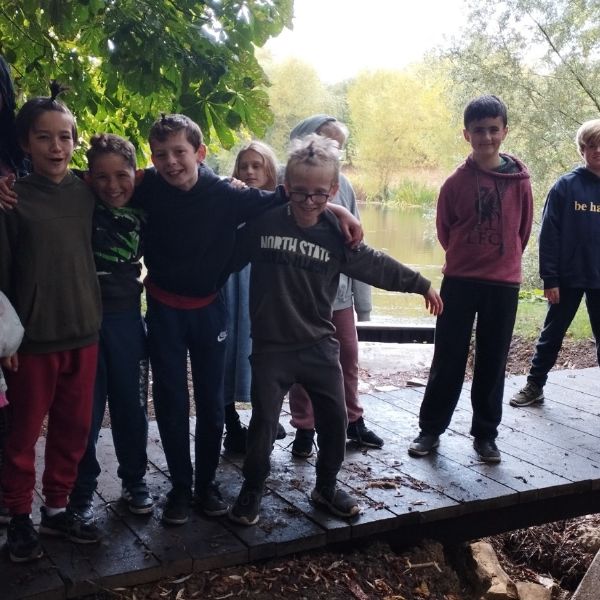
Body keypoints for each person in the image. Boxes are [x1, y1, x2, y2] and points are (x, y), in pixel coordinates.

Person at [136, 114, 362, 526]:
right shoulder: (147, 185)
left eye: (179, 152)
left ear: (200, 153)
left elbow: (289, 198)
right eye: (160, 155)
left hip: (208, 309)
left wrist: (334, 209)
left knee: (211, 401)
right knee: (170, 401)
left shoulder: (227, 193)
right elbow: (103, 181)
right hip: (164, 310)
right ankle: (181, 488)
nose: (170, 162)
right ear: (152, 158)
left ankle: (206, 485)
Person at [228, 134, 443, 526]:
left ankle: (326, 486)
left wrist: (420, 284)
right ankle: (252, 488)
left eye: (319, 194)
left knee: (335, 419)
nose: (308, 202)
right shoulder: (263, 223)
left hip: (318, 345)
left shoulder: (337, 233)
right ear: (286, 186)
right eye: (299, 192)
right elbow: (223, 254)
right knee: (263, 424)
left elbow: (375, 264)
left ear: (332, 190)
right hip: (271, 348)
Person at [0, 82, 102, 563]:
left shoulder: (88, 191)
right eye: (44, 137)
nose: (56, 147)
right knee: (22, 435)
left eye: (65, 137)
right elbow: (1, 275)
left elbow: (130, 179)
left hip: (84, 332)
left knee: (72, 429)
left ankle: (57, 509)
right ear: (26, 143)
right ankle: (19, 515)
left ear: (75, 142)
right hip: (32, 342)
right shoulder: (11, 199)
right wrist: (5, 340)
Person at [408, 94, 533, 464]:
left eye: (493, 129)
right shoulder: (455, 183)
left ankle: (486, 435)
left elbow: (523, 231)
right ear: (466, 134)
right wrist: (468, 257)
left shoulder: (520, 183)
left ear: (505, 131)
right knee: (448, 357)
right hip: (460, 281)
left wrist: (504, 260)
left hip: (503, 284)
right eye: (479, 130)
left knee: (493, 360)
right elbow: (445, 231)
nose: (487, 137)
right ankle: (431, 429)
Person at [67, 134, 151, 522]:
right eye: (102, 176)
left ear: (136, 175)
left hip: (126, 321)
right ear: (88, 178)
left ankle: (135, 480)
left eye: (121, 175)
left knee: (131, 406)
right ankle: (82, 488)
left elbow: (195, 187)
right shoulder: (78, 199)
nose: (112, 185)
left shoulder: (147, 203)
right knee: (84, 410)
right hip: (84, 321)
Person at [286, 115, 381, 458]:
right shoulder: (290, 183)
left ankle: (353, 420)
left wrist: (363, 303)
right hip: (303, 296)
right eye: (329, 142)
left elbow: (357, 246)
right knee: (302, 363)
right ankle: (304, 427)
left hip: (340, 296)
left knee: (348, 356)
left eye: (340, 146)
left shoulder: (344, 186)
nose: (334, 151)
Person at [510, 119, 600, 408]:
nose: (598, 151)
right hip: (567, 277)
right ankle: (534, 385)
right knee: (552, 334)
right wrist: (550, 278)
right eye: (592, 145)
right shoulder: (565, 186)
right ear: (582, 150)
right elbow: (549, 235)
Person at [222, 141, 286, 453]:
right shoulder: (228, 197)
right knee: (226, 351)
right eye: (244, 165)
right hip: (230, 284)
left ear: (269, 169)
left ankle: (266, 419)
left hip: (264, 288)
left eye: (256, 165)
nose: (249, 171)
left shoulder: (280, 205)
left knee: (265, 354)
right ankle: (230, 423)